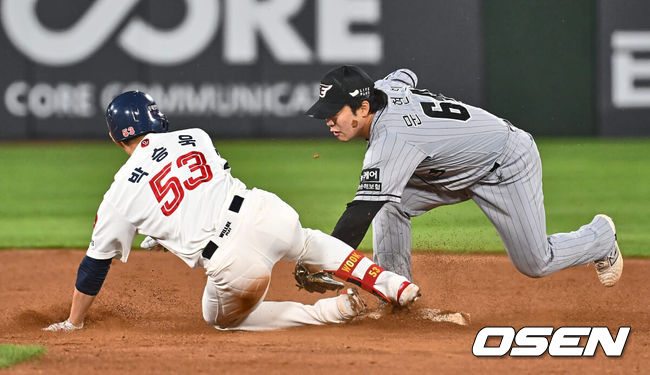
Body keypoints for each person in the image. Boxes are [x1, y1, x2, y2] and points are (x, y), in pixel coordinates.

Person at [43, 91, 421, 332]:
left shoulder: (119, 195)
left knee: (221, 320)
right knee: (306, 241)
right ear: (158, 120)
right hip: (263, 210)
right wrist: (165, 231)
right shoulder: (195, 136)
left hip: (232, 261)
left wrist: (75, 321)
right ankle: (391, 283)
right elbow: (192, 188)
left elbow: (95, 265)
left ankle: (331, 312)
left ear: (115, 136)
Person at [305, 65, 622, 287]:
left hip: (504, 162)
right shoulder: (383, 90)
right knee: (391, 202)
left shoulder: (393, 138)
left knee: (536, 262)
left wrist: (326, 258)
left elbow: (362, 210)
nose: (328, 121)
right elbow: (403, 75)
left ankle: (600, 237)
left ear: (362, 108)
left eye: (334, 113)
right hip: (447, 169)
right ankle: (395, 293)